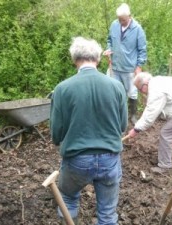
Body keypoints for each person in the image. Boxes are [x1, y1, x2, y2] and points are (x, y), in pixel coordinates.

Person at [50, 37, 128, 225]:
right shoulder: (116, 86)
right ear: (98, 59)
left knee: (67, 199)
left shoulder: (62, 89)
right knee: (108, 212)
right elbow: (123, 126)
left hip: (77, 159)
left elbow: (56, 133)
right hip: (109, 158)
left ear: (74, 59)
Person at [103, 3, 147, 124]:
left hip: (129, 68)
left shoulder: (137, 29)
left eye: (123, 19)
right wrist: (109, 48)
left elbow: (142, 50)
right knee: (112, 90)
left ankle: (133, 115)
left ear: (129, 16)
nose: (121, 22)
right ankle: (114, 113)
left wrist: (139, 67)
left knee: (132, 92)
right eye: (119, 19)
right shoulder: (114, 25)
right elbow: (109, 40)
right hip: (115, 65)